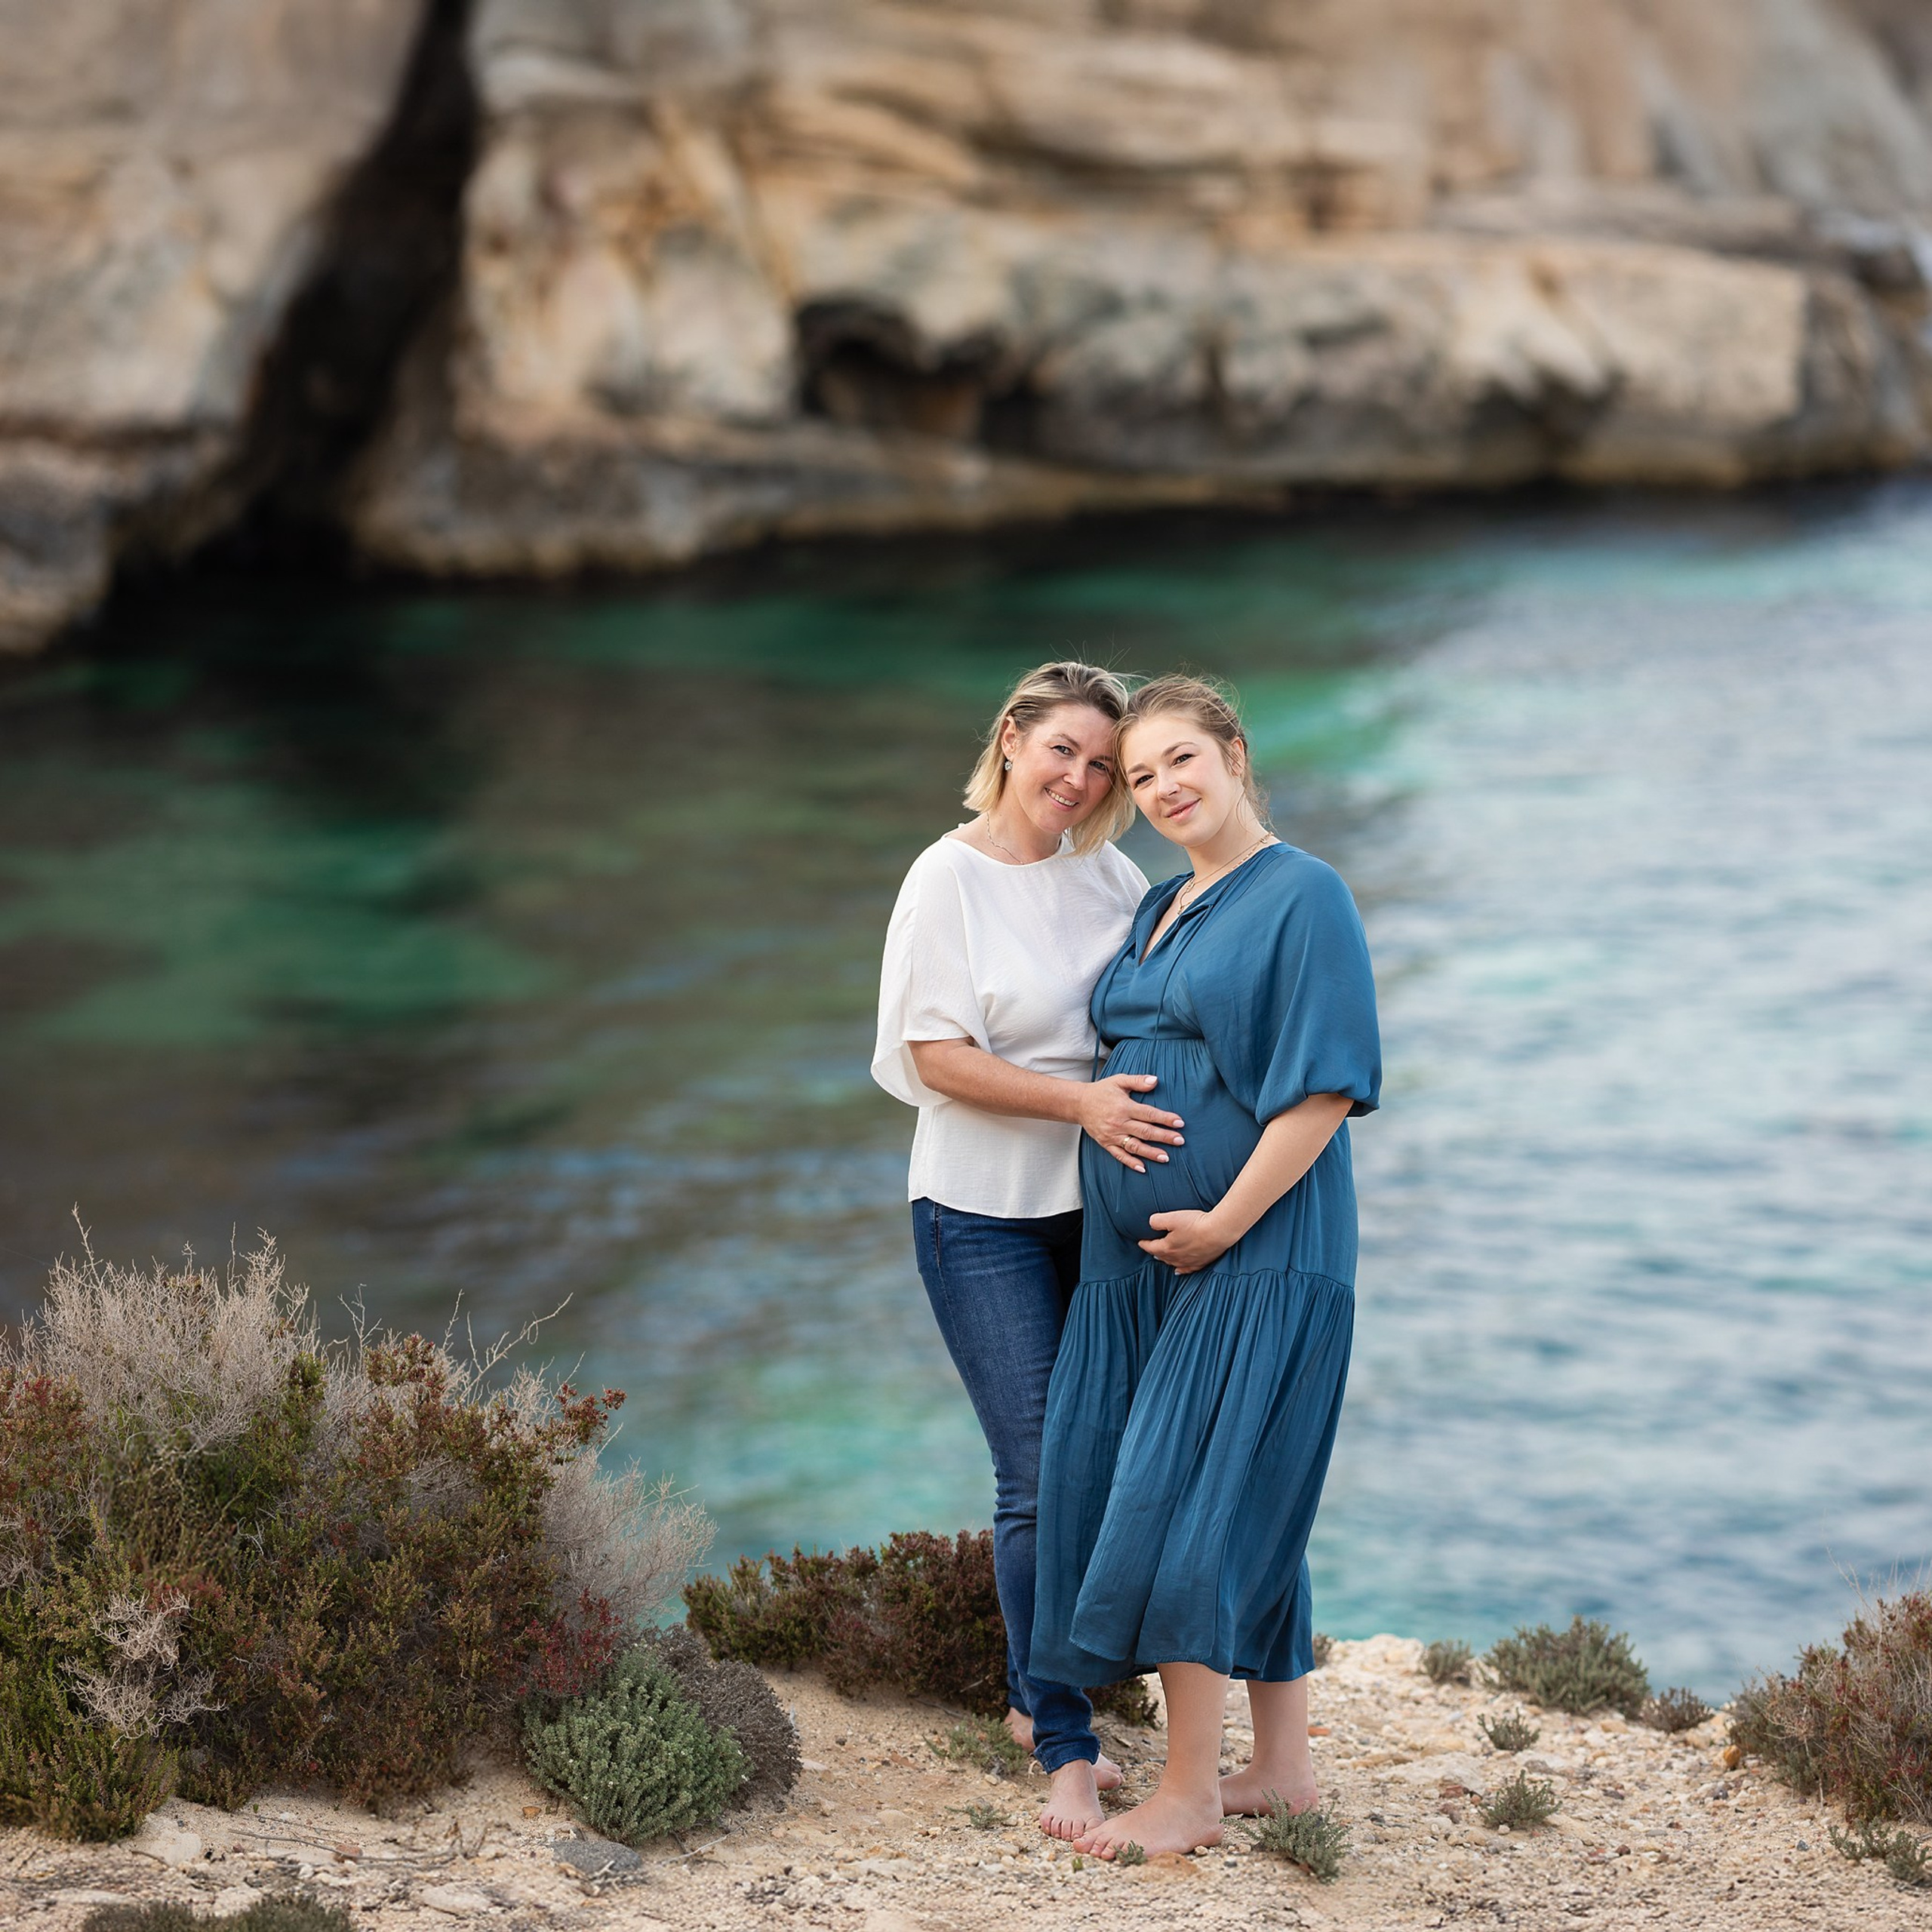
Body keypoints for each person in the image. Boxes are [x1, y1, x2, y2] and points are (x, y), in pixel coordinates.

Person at [1030, 672, 1382, 1858]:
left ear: (1233, 752)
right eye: (1140, 777)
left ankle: (1188, 1793)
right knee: (1232, 1490)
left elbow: (1324, 1088)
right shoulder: (1162, 902)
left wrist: (1225, 1222)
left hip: (1257, 1249)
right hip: (1141, 1271)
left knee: (1188, 1503)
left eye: (1181, 758)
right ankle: (1282, 1771)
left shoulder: (1303, 894)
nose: (1163, 788)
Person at [872, 661, 1183, 1841]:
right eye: (1064, 749)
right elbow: (934, 1056)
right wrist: (1081, 1106)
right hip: (980, 1215)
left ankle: (1027, 1688)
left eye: (1104, 764)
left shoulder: (1111, 877)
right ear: (1011, 737)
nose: (1083, 779)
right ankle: (1063, 1739)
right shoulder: (945, 878)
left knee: (1107, 1459)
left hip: (1098, 1214)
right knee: (1041, 1476)